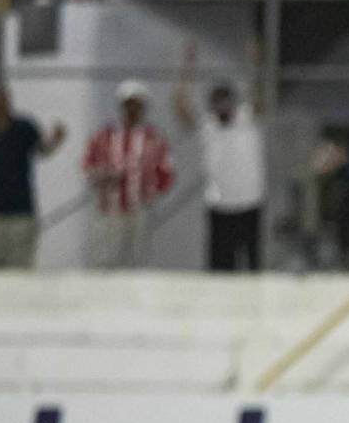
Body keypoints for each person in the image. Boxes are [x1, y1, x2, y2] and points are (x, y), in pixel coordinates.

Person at [175, 43, 267, 272]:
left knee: (253, 267)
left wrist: (256, 64)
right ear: (211, 104)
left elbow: (261, 94)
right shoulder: (208, 125)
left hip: (249, 203)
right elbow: (180, 106)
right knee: (220, 270)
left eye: (225, 99)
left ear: (233, 101)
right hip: (219, 206)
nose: (222, 105)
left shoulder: (248, 118)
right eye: (217, 100)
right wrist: (187, 68)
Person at [82, 79, 174, 269]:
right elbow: (88, 165)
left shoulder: (154, 138)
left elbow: (166, 172)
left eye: (137, 105)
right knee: (106, 259)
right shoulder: (104, 135)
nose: (132, 109)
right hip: (109, 209)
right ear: (121, 106)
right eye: (128, 104)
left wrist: (148, 188)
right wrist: (103, 176)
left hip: (140, 210)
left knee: (138, 261)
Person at [0, 79, 64, 267]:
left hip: (21, 210)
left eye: (1, 98)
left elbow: (42, 150)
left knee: (21, 265)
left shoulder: (24, 127)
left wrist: (55, 140)